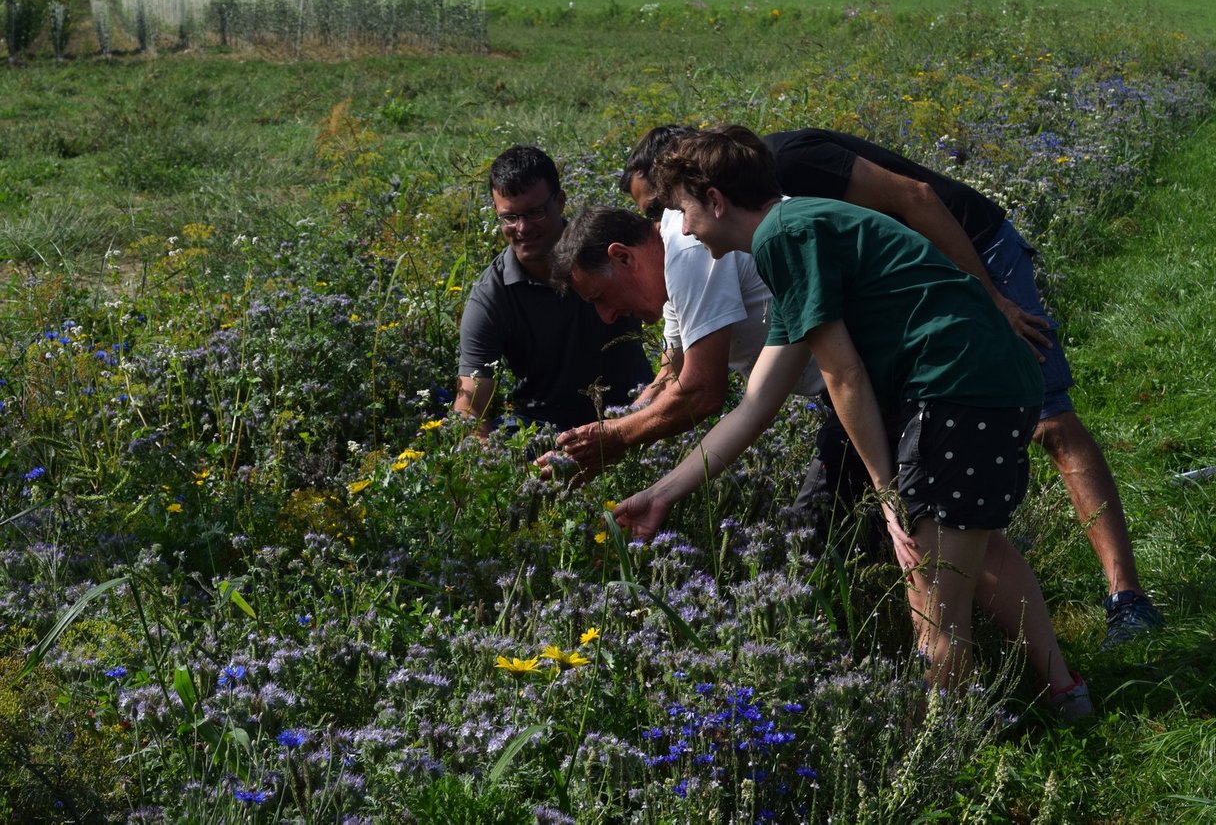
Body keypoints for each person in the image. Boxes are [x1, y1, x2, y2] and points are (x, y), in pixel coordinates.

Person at [627, 125, 1163, 650]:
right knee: (968, 545)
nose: (683, 231)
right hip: (979, 377)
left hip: (957, 383)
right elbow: (755, 404)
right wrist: (660, 494)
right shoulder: (790, 229)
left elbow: (844, 375)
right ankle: (1063, 687)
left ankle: (955, 704)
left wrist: (887, 494)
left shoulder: (783, 235)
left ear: (716, 200)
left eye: (682, 212)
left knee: (932, 600)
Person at [543, 204, 822, 476]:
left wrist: (616, 435)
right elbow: (670, 377)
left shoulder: (688, 249)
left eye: (600, 297)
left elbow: (701, 390)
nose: (607, 316)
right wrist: (592, 445)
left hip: (846, 365)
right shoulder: (671, 260)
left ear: (623, 257)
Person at [453, 144, 653, 438]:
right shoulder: (492, 295)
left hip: (636, 412)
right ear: (496, 211)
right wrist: (482, 452)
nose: (522, 228)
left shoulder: (607, 250)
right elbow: (470, 403)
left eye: (535, 213)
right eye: (509, 217)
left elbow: (679, 325)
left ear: (559, 202)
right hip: (544, 431)